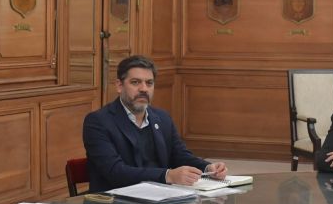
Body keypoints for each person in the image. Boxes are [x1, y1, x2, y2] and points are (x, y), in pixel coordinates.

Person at [83, 55, 227, 192]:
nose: (144, 89)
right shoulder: (98, 122)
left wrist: (208, 168)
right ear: (119, 86)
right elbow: (115, 171)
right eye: (135, 82)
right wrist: (167, 175)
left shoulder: (162, 117)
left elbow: (179, 155)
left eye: (149, 83)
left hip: (158, 203)